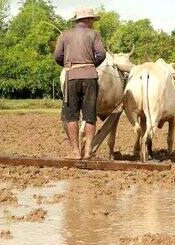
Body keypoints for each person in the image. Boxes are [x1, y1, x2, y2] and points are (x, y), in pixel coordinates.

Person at [54, 7, 106, 160]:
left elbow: (57, 56)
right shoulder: (94, 34)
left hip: (71, 78)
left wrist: (70, 66)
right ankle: (88, 150)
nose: (92, 23)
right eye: (92, 20)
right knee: (90, 116)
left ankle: (76, 152)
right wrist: (90, 65)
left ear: (77, 20)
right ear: (88, 20)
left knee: (71, 116)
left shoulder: (65, 35)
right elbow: (101, 54)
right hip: (90, 77)